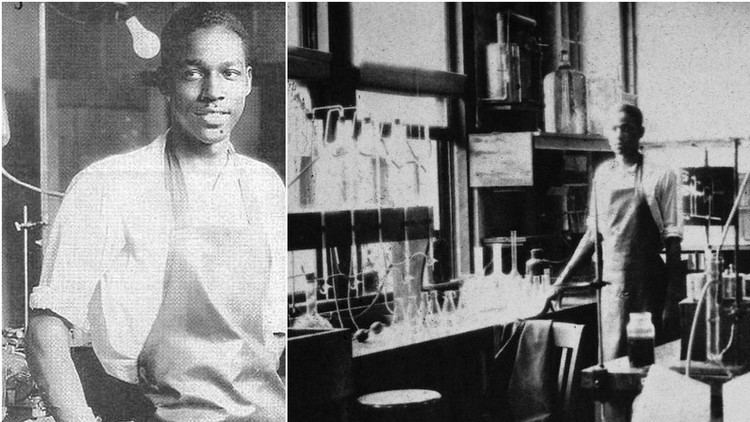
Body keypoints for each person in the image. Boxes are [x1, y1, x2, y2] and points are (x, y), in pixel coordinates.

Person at [26, 5, 285, 421]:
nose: (213, 92)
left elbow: (273, 331)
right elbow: (45, 331)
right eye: (192, 73)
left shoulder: (265, 187)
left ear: (248, 82)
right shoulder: (110, 184)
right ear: (165, 82)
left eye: (229, 73)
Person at [550, 103, 683, 362]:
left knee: (646, 364)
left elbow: (673, 239)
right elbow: (592, 235)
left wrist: (673, 299)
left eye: (627, 129)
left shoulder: (660, 175)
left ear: (640, 133)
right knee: (611, 363)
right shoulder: (602, 176)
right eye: (614, 129)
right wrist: (560, 282)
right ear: (606, 133)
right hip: (610, 287)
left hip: (648, 285)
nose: (620, 136)